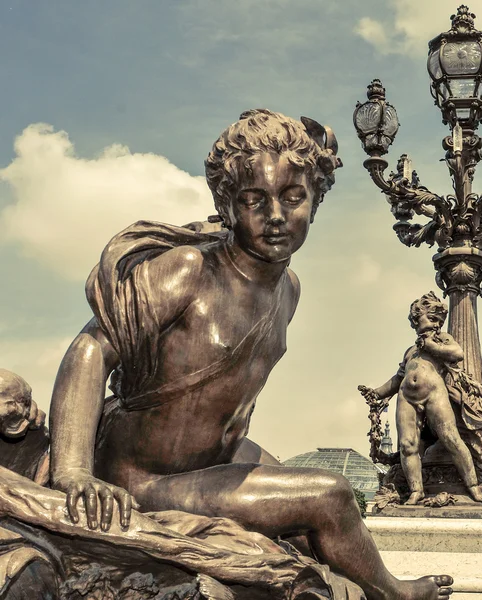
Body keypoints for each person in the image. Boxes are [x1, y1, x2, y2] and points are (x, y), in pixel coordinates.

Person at [49, 110, 452, 600]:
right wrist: (72, 473)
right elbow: (91, 348)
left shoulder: (289, 291)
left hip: (218, 457)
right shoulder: (189, 270)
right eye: (254, 200)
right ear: (227, 203)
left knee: (303, 522)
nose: (276, 216)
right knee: (330, 495)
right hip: (145, 475)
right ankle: (393, 593)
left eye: (293, 197)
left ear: (315, 201)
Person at [360, 292, 482, 505]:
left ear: (435, 319)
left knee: (451, 438)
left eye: (420, 317)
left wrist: (432, 347)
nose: (416, 321)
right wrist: (378, 393)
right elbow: (398, 378)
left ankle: (474, 487)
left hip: (435, 393)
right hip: (406, 397)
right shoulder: (411, 351)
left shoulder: (442, 339)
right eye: (415, 318)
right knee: (408, 445)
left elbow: (457, 353)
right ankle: (416, 490)